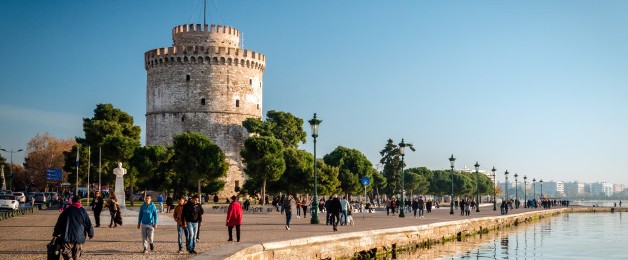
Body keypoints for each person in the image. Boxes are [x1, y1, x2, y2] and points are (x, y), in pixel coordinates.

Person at [53, 195, 94, 260]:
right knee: (76, 255)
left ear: (72, 201)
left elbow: (59, 223)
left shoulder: (66, 211)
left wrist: (56, 233)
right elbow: (88, 223)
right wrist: (90, 233)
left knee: (66, 252)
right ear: (80, 202)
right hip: (79, 237)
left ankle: (69, 258)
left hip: (67, 237)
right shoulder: (83, 211)